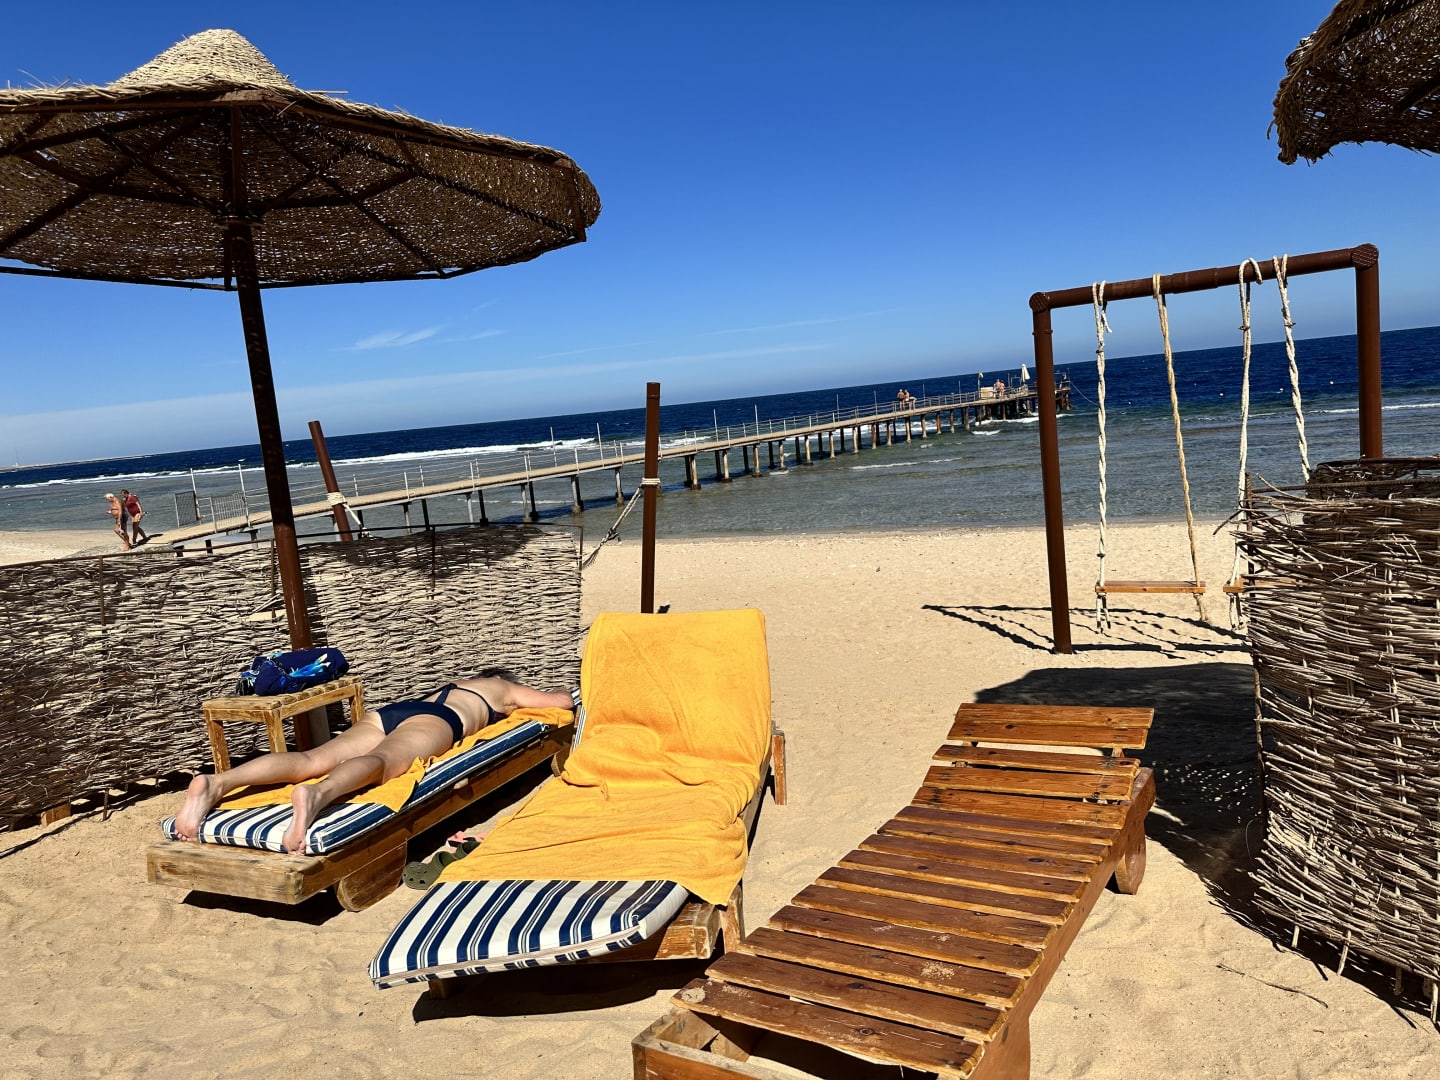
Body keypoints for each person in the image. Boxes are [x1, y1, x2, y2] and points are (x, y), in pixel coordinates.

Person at [174, 670, 575, 854]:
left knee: (312, 757)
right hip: (438, 720)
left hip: (393, 711)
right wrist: (539, 693)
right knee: (381, 762)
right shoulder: (500, 687)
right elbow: (561, 703)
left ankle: (219, 782)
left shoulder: (458, 683)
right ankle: (319, 795)